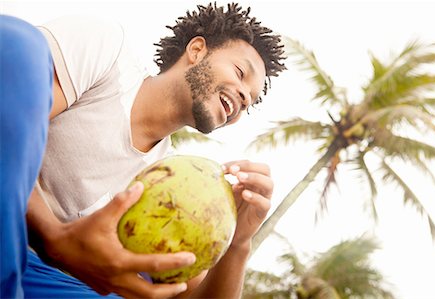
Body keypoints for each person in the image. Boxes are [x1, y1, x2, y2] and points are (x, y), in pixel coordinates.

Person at [1, 2, 285, 298]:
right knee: (20, 44)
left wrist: (238, 243)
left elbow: (188, 294)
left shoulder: (171, 181)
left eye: (249, 101)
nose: (243, 96)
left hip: (38, 280)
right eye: (240, 73)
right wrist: (54, 238)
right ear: (197, 50)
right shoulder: (107, 51)